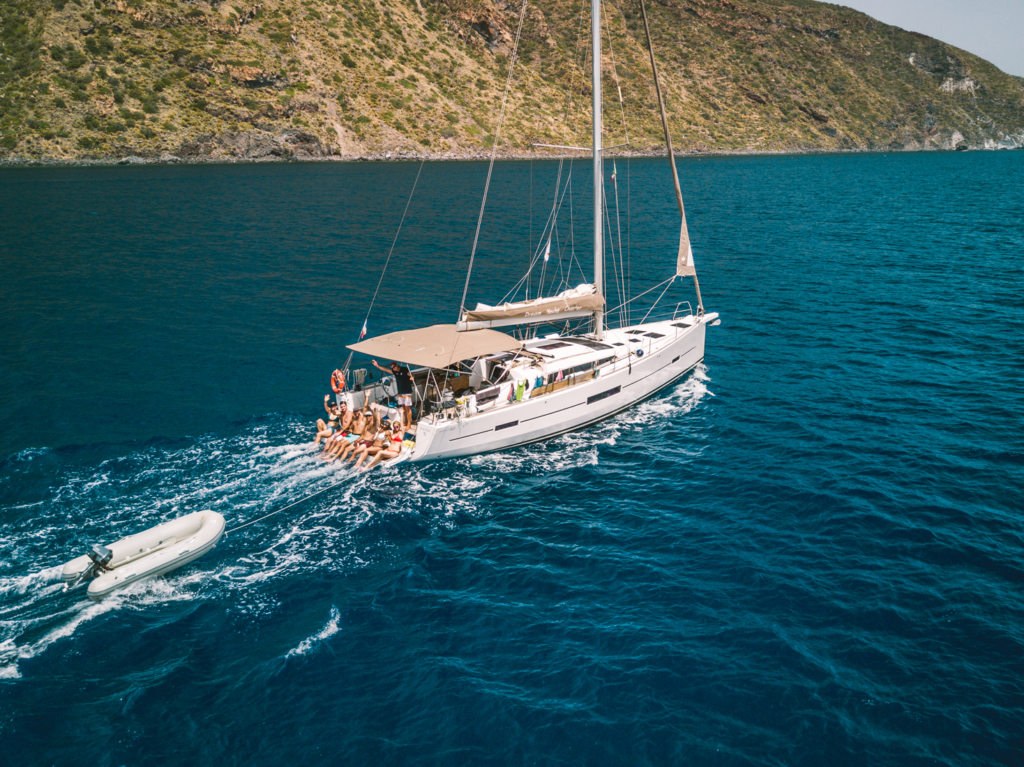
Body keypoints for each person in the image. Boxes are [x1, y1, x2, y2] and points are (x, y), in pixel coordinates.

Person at [372, 358, 415, 430]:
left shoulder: (404, 369)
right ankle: (405, 421)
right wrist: (377, 366)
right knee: (403, 407)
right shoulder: (395, 372)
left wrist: (412, 377)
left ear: (397, 365)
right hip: (400, 392)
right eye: (392, 367)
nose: (393, 368)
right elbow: (385, 370)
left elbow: (410, 374)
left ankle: (409, 424)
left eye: (394, 367)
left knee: (408, 408)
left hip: (407, 392)